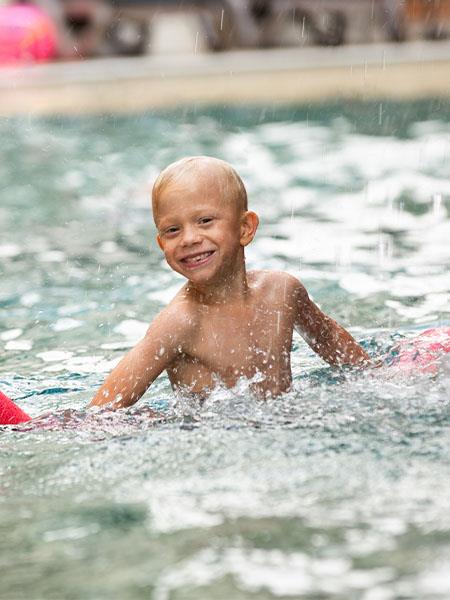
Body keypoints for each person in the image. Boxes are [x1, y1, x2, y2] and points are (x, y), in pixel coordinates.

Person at [89, 156, 370, 409]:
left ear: (245, 228)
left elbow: (331, 341)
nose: (188, 239)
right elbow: (104, 409)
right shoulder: (180, 323)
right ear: (162, 243)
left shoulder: (282, 293)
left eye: (205, 220)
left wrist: (376, 373)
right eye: (172, 230)